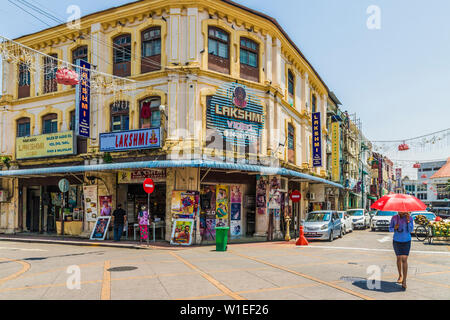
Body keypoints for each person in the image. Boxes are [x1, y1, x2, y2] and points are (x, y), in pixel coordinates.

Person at [389, 211, 414, 290]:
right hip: (397, 240)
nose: (402, 211)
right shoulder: (394, 218)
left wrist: (408, 221)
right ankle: (400, 275)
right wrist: (394, 228)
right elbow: (390, 229)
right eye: (400, 210)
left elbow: (411, 230)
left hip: (406, 240)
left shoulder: (410, 218)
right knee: (399, 258)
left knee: (404, 259)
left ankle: (404, 280)